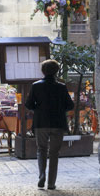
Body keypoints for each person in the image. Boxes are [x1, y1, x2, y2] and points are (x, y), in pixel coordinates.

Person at [25, 59, 74, 189]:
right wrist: (59, 108)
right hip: (58, 122)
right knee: (54, 153)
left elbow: (28, 104)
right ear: (57, 71)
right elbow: (70, 105)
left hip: (41, 122)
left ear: (43, 71)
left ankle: (42, 175)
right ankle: (51, 183)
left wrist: (39, 109)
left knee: (41, 150)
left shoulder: (36, 86)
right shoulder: (61, 87)